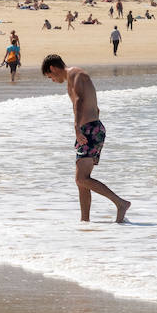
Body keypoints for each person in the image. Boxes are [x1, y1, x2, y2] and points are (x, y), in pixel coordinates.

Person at [41, 54, 130, 223]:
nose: (51, 80)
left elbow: (79, 102)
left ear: (52, 68)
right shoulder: (74, 77)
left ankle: (120, 203)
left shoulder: (75, 74)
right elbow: (96, 107)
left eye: (49, 76)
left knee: (81, 179)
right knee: (82, 181)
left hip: (89, 130)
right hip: (90, 129)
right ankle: (84, 222)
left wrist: (77, 127)